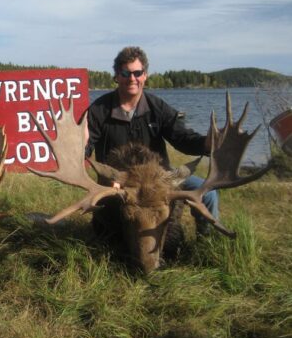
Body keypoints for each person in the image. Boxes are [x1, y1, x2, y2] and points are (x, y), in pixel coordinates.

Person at [85, 46, 218, 235]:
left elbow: (182, 138)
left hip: (160, 180)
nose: (132, 78)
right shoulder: (99, 110)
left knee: (208, 193)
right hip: (120, 183)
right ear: (117, 76)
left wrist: (207, 143)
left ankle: (207, 240)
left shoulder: (157, 108)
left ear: (145, 75)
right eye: (126, 73)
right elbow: (85, 150)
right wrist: (82, 146)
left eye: (137, 73)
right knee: (110, 236)